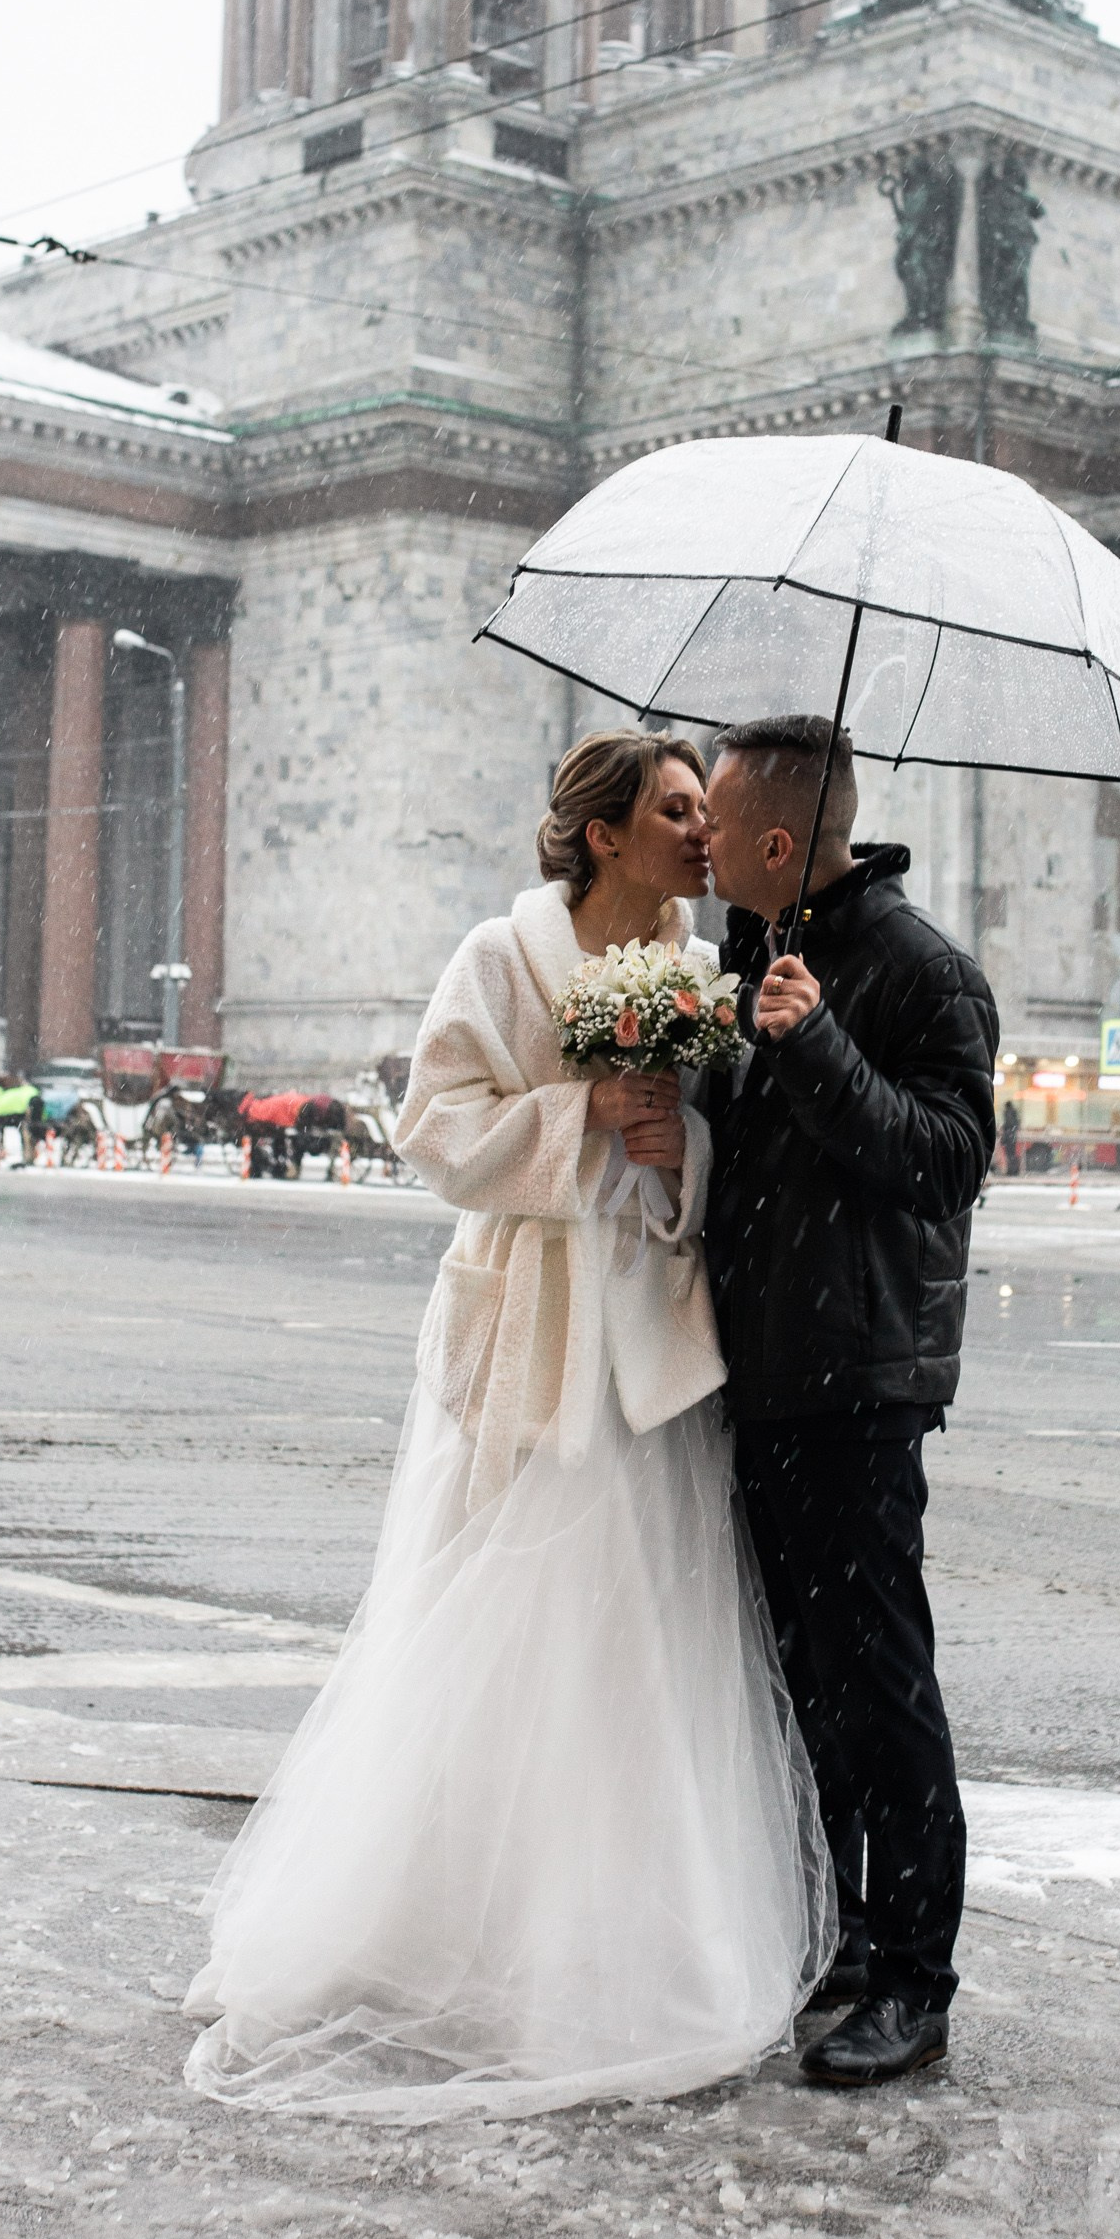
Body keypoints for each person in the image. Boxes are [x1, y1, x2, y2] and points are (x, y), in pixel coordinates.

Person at [184, 730, 830, 2117]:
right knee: (501, 1636)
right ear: (603, 832)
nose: (702, 833)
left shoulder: (707, 971)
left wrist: (678, 1155)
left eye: (703, 813)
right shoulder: (499, 957)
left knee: (632, 1651)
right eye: (674, 811)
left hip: (645, 1354)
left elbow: (699, 1161)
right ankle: (458, 1941)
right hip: (527, 1336)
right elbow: (434, 1130)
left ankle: (615, 1947)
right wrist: (577, 1113)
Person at [702, 716, 998, 2090]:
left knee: (880, 1685)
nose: (696, 836)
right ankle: (844, 1932)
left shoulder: (922, 971)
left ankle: (917, 1977)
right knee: (801, 1684)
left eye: (714, 816)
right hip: (761, 1368)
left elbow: (945, 1164)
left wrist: (816, 1046)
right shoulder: (750, 952)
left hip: (860, 1380)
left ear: (777, 840)